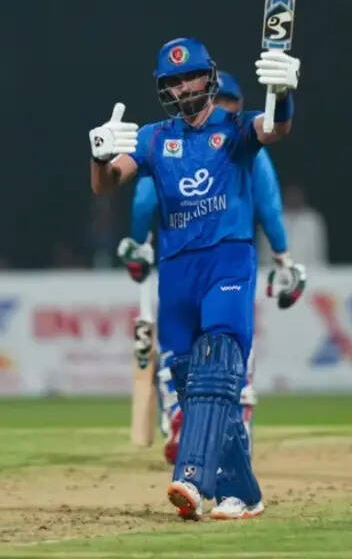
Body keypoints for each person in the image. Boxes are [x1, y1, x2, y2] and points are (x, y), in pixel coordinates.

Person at [89, 37, 300, 520]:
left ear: (210, 76)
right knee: (188, 380)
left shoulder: (236, 128)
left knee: (218, 362)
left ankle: (191, 477)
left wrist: (284, 93)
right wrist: (98, 156)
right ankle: (244, 493)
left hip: (227, 259)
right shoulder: (152, 138)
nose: (183, 87)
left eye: (191, 76)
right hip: (177, 269)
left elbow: (275, 129)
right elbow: (108, 184)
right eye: (173, 81)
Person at [118, 70, 307, 465]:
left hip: (184, 260)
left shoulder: (169, 141)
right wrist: (284, 257)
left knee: (181, 350)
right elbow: (268, 203)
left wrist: (139, 241)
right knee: (229, 348)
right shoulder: (238, 139)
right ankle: (231, 429)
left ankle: (179, 418)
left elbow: (145, 200)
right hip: (225, 259)